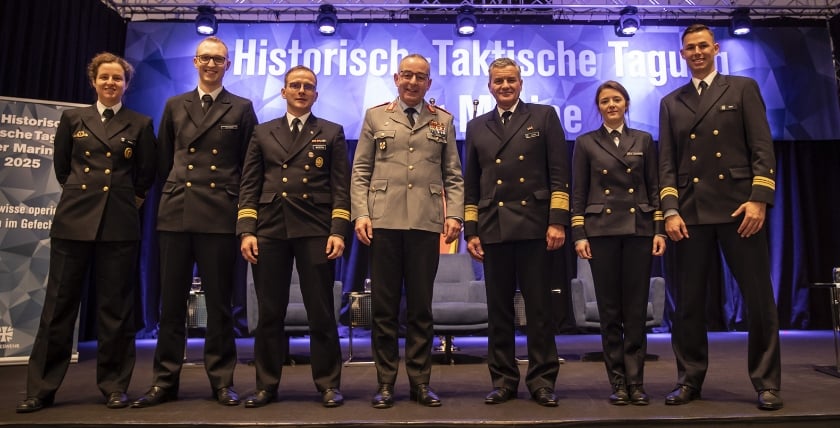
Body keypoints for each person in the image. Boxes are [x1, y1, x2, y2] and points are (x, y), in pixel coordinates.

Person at [16, 52, 157, 413]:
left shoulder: (140, 123)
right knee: (59, 307)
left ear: (127, 84)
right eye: (104, 77)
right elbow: (64, 169)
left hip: (119, 223)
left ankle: (114, 385)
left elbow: (145, 176)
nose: (111, 83)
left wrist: (126, 201)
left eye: (118, 78)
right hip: (74, 221)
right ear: (93, 81)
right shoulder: (72, 118)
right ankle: (41, 389)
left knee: (116, 309)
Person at [658, 24, 782, 410]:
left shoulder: (742, 88)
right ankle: (689, 379)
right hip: (691, 215)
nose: (696, 53)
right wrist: (670, 210)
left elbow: (762, 146)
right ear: (681, 55)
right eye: (689, 48)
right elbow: (667, 165)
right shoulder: (671, 102)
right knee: (689, 304)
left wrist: (759, 198)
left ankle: (767, 382)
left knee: (759, 300)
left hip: (739, 209)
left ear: (715, 49)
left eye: (702, 46)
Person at [132, 36, 258, 408]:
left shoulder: (242, 108)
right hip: (176, 212)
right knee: (170, 305)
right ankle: (164, 381)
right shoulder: (174, 105)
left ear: (227, 65)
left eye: (218, 60)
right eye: (205, 58)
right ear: (195, 62)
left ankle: (221, 381)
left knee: (220, 305)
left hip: (220, 213)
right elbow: (164, 161)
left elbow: (248, 167)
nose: (211, 64)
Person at [350, 53, 464, 409]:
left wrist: (455, 216)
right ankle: (385, 383)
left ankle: (420, 383)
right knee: (383, 310)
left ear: (429, 83)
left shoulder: (442, 120)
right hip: (383, 222)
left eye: (421, 77)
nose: (413, 82)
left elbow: (453, 175)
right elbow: (360, 171)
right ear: (396, 79)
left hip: (425, 223)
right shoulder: (375, 116)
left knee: (420, 309)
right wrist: (360, 215)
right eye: (407, 76)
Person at [236, 65, 349, 408]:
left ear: (316, 94)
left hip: (315, 230)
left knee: (321, 313)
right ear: (284, 91)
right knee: (269, 313)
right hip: (269, 230)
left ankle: (328, 384)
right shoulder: (262, 132)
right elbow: (250, 185)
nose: (301, 91)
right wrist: (246, 231)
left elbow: (340, 187)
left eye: (308, 86)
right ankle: (266, 385)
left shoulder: (331, 132)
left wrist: (338, 230)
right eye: (295, 85)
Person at [463, 57, 568, 407]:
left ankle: (542, 381)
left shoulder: (543, 116)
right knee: (499, 311)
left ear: (520, 83)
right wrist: (471, 229)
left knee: (539, 310)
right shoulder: (477, 126)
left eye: (511, 80)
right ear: (489, 86)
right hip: (494, 227)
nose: (505, 86)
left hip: (536, 226)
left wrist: (557, 220)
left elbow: (559, 173)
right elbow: (471, 185)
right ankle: (504, 380)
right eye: (498, 81)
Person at [571, 80, 666, 406]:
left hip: (638, 229)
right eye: (604, 101)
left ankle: (637, 383)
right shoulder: (585, 143)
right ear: (598, 107)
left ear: (626, 104)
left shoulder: (643, 139)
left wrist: (659, 230)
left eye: (616, 99)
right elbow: (578, 193)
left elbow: (653, 189)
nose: (611, 105)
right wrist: (579, 234)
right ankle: (618, 383)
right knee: (610, 312)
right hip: (600, 232)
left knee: (636, 310)